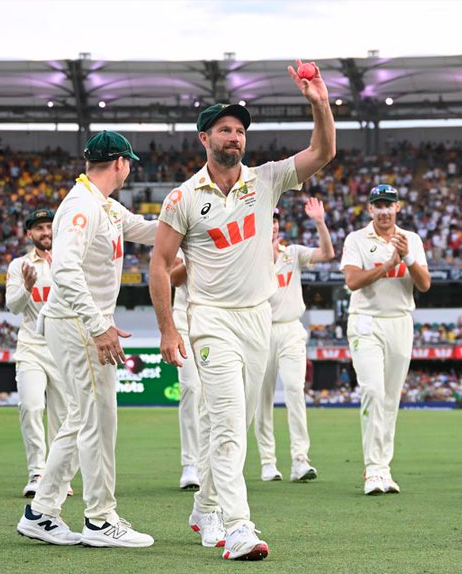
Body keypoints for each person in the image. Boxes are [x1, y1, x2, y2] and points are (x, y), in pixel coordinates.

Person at [149, 59, 336, 560]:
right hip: (210, 321)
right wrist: (168, 329)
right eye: (224, 130)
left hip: (259, 318)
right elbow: (161, 266)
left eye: (239, 131)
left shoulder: (266, 181)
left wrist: (320, 105)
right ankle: (238, 527)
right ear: (204, 139)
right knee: (230, 423)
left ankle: (204, 508)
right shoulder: (183, 198)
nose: (234, 137)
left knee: (227, 424)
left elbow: (323, 151)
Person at [16, 131, 158, 548]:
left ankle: (41, 512)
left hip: (78, 319)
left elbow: (148, 230)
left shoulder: (104, 205)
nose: (129, 168)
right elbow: (64, 271)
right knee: (96, 418)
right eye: (128, 162)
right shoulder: (80, 206)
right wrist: (99, 325)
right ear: (119, 163)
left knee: (82, 418)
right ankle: (99, 518)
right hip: (78, 321)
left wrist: (188, 219)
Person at [340, 184, 431, 495]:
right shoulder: (356, 240)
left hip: (400, 321)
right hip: (365, 321)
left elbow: (424, 284)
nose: (383, 210)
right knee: (373, 392)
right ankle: (373, 469)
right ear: (370, 210)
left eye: (388, 205)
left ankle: (384, 468)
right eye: (377, 205)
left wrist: (407, 258)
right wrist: (389, 265)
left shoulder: (412, 240)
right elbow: (352, 281)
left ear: (397, 208)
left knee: (390, 398)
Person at [254, 199, 334, 483]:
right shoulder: (249, 255)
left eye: (275, 221)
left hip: (290, 329)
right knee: (261, 401)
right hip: (260, 330)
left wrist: (320, 222)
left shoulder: (293, 253)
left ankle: (301, 460)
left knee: (294, 390)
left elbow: (327, 253)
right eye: (267, 221)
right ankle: (267, 462)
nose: (272, 226)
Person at [5, 208, 73, 497]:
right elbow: (13, 306)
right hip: (31, 347)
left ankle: (59, 477)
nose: (45, 232)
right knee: (32, 406)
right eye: (39, 228)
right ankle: (37, 473)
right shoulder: (19, 265)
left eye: (49, 227)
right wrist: (27, 288)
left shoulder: (70, 259)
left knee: (63, 417)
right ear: (30, 233)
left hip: (63, 348)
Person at [171, 251, 202, 491]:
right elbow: (173, 277)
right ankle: (191, 463)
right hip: (184, 322)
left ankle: (219, 463)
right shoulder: (182, 239)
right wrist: (199, 254)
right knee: (191, 388)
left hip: (220, 319)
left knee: (222, 396)